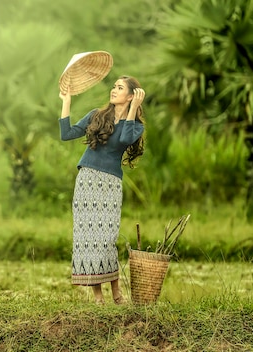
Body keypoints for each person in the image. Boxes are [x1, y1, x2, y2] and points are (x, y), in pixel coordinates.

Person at [58, 75, 145, 305]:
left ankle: (116, 293)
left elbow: (124, 139)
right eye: (113, 86)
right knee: (88, 238)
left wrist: (133, 108)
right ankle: (98, 297)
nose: (113, 90)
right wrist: (66, 101)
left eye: (119, 87)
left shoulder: (136, 126)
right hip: (87, 179)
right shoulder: (97, 115)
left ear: (131, 95)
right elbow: (66, 134)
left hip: (111, 184)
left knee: (107, 239)